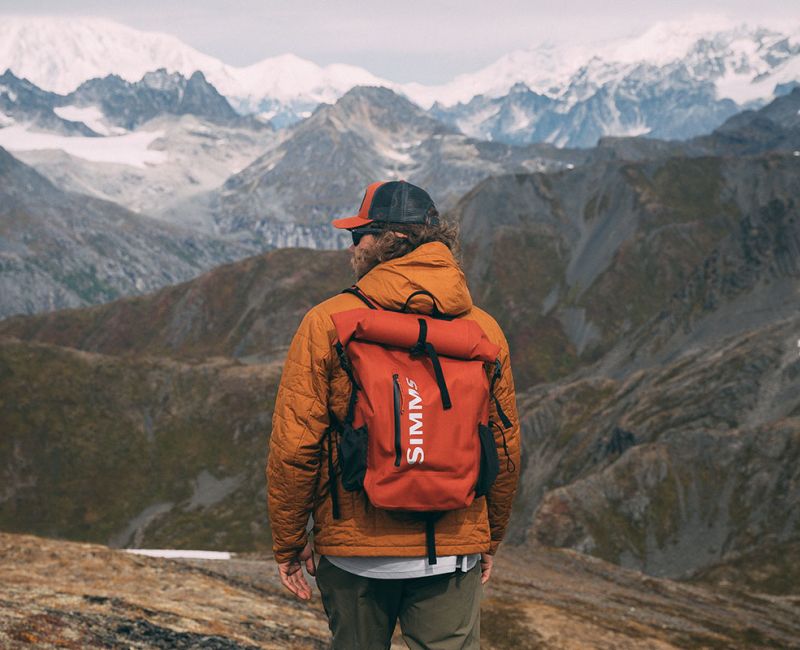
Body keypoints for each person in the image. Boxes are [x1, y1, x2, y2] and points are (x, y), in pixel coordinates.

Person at [267, 180, 520, 649]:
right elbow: (504, 446)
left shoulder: (328, 321)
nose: (351, 247)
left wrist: (288, 542)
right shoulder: (484, 330)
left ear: (386, 242)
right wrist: (489, 536)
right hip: (452, 549)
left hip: (355, 552)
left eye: (356, 235)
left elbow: (296, 445)